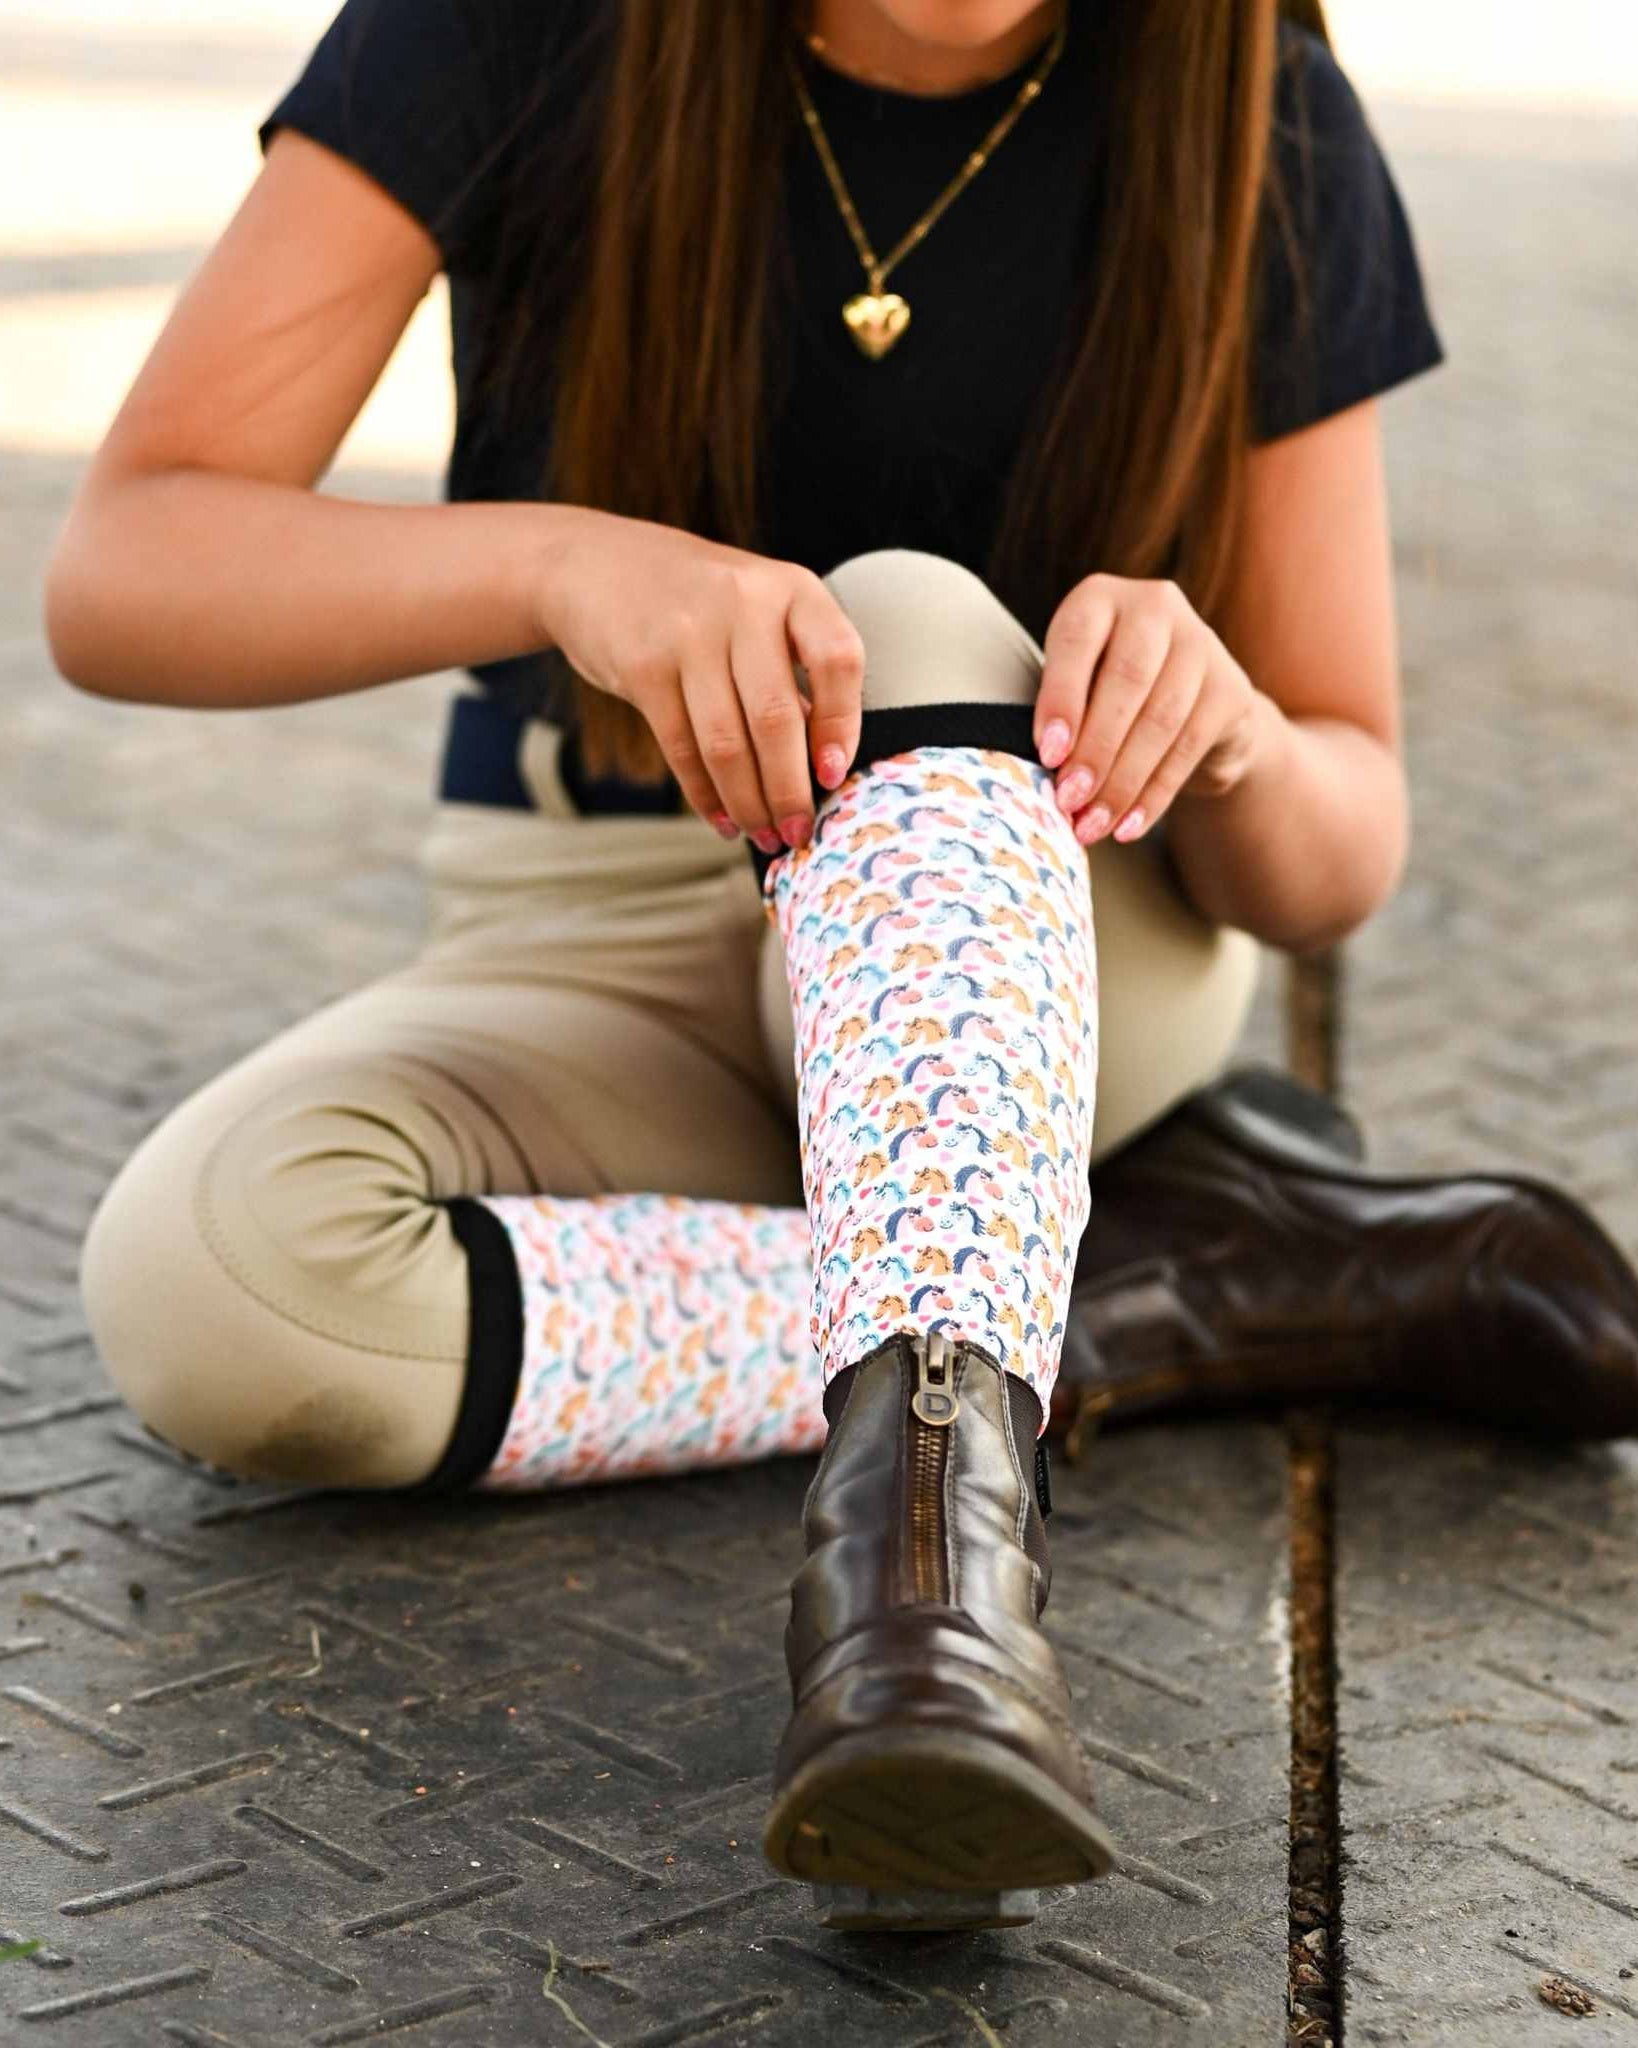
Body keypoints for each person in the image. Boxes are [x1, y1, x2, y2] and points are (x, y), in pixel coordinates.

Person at [44, 0, 1638, 1932]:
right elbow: (126, 570)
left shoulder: (1251, 91)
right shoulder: (508, 30)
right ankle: (1136, 1277)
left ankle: (925, 1615)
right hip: (603, 918)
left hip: (1045, 940)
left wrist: (1224, 729)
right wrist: (563, 567)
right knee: (216, 1290)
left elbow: (1334, 847)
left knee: (898, 614)